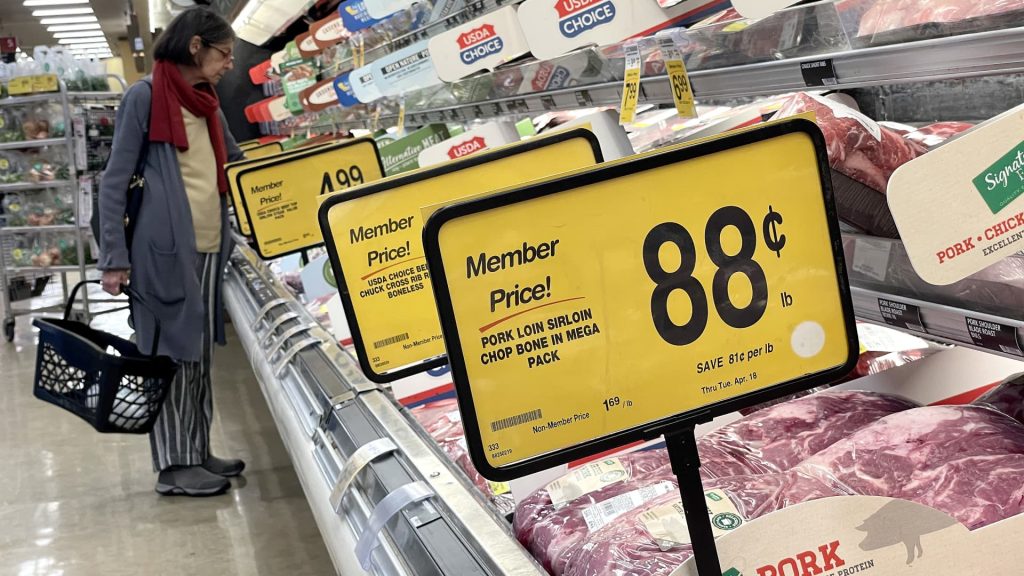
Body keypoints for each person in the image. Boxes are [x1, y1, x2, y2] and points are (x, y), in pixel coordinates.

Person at [97, 6, 246, 497]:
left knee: (197, 357)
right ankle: (174, 466)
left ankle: (196, 449)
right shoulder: (144, 97)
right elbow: (114, 181)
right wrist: (114, 258)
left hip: (208, 247)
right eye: (224, 53)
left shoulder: (206, 100)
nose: (229, 63)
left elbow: (237, 163)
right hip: (161, 252)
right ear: (196, 46)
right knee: (168, 357)